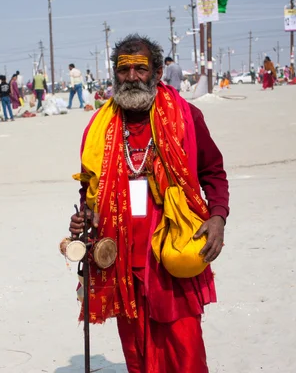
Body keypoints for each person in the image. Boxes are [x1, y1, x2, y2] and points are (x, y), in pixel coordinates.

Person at [67, 34, 228, 373]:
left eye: (141, 68)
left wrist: (217, 217)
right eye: (124, 69)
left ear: (156, 73)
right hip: (122, 257)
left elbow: (213, 171)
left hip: (174, 249)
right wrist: (83, 217)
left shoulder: (186, 117)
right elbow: (89, 190)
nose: (132, 76)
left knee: (184, 345)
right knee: (137, 351)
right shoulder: (98, 126)